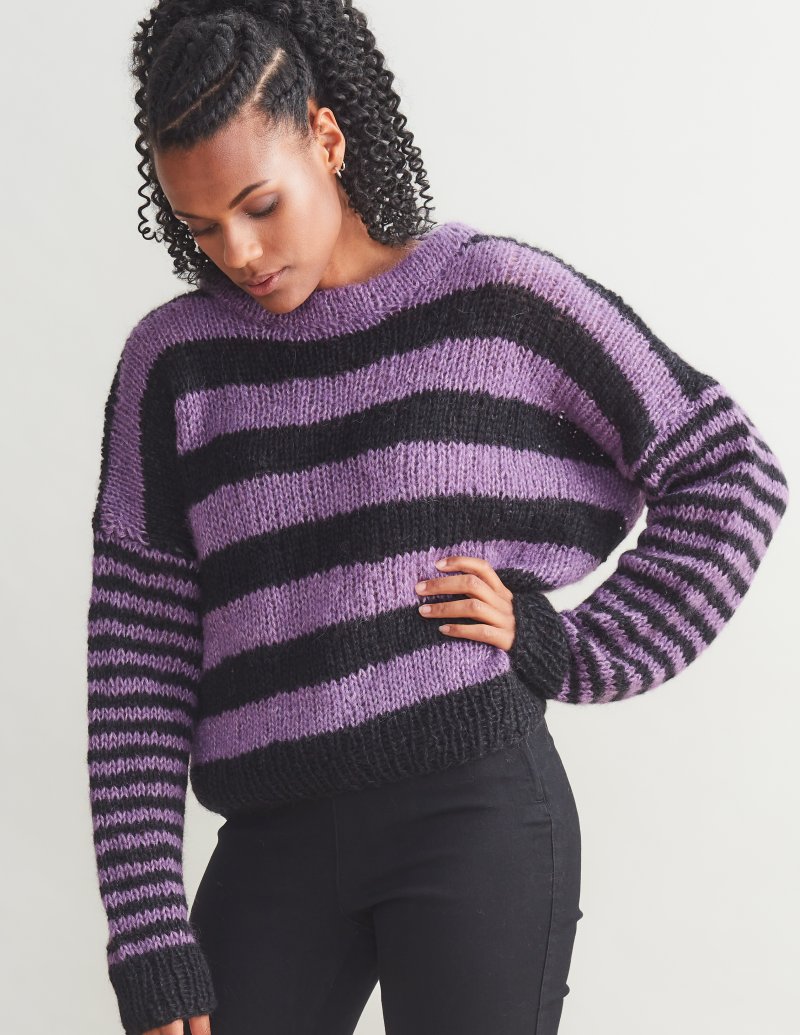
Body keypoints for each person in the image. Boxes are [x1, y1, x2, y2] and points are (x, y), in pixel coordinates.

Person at [85, 2, 790, 1034]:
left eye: (258, 204)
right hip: (272, 840)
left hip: (474, 817)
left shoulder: (492, 297)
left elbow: (729, 471)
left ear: (325, 137)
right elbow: (136, 654)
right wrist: (145, 926)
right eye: (201, 226)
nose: (238, 250)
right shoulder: (173, 364)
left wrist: (570, 647)